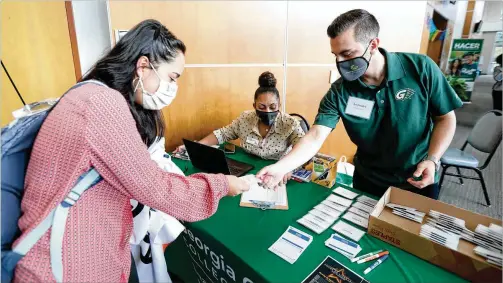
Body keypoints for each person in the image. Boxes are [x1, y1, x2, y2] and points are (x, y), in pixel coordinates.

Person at [12, 19, 249, 282]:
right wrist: (221, 185)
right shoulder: (102, 104)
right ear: (143, 65)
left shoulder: (88, 93)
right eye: (172, 78)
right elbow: (155, 187)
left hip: (73, 255)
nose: (172, 89)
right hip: (64, 265)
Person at [257, 9, 462, 199]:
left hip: (418, 178)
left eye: (347, 54)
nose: (340, 62)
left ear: (372, 45)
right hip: (368, 181)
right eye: (335, 55)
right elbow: (315, 135)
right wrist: (281, 167)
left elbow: (445, 118)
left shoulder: (420, 68)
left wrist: (433, 159)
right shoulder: (340, 91)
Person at [175, 71, 306, 162]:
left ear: (279, 105)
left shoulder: (290, 123)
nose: (267, 111)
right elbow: (223, 134)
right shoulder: (245, 119)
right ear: (254, 105)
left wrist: (288, 168)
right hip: (248, 169)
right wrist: (196, 147)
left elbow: (304, 149)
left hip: (276, 171)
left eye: (272, 107)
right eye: (262, 107)